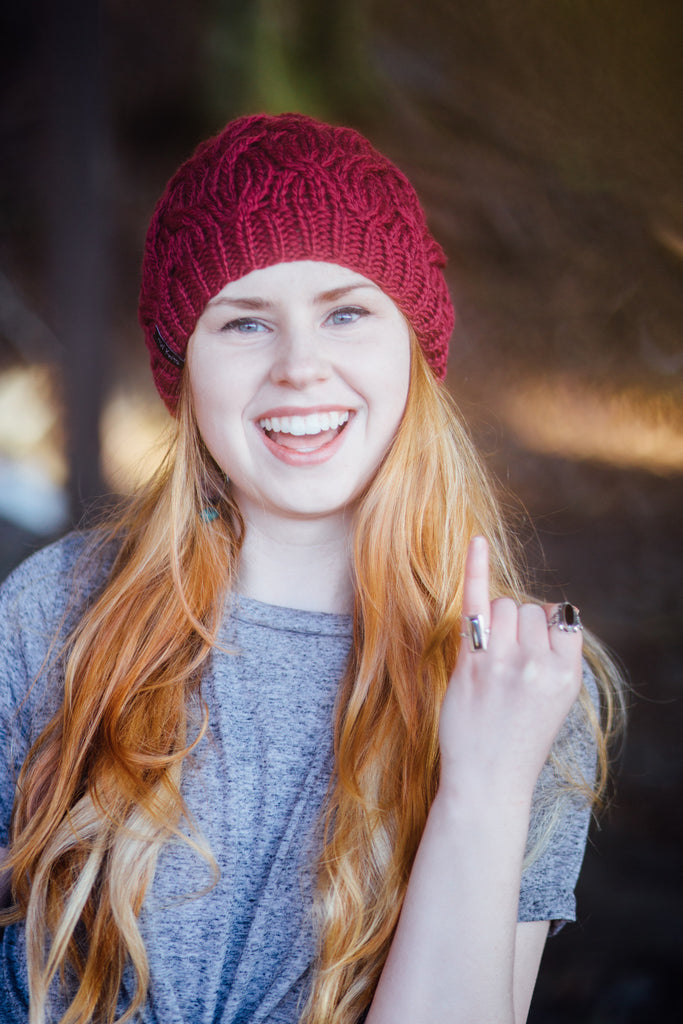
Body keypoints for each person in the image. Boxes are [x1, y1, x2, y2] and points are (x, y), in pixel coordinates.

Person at [0, 113, 622, 1024]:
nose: (300, 367)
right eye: (245, 322)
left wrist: (484, 782)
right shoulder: (54, 613)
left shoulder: (518, 680)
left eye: (345, 311)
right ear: (183, 367)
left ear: (412, 345)